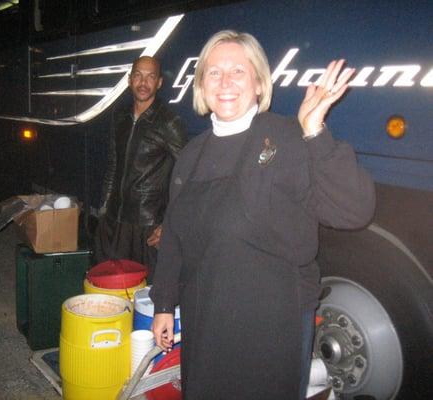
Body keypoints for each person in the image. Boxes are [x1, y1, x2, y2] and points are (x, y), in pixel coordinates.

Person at [150, 31, 375, 399]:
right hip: (205, 312)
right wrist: (163, 303)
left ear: (258, 83)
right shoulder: (191, 154)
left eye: (238, 71)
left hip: (272, 321)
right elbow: (175, 233)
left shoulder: (288, 136)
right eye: (213, 73)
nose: (225, 82)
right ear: (201, 86)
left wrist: (315, 131)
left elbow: (353, 211)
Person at [95, 56, 187, 281]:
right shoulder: (120, 117)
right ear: (129, 80)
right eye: (138, 75)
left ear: (159, 83)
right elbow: (113, 166)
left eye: (150, 76)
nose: (143, 82)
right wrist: (104, 211)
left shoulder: (168, 122)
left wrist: (169, 223)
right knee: (111, 289)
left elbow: (189, 175)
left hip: (149, 227)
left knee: (146, 294)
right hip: (115, 222)